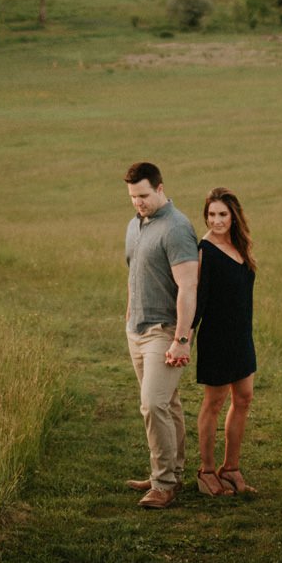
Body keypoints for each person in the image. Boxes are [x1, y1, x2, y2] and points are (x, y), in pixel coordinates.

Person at [121, 161, 199, 509]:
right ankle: (170, 472)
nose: (138, 202)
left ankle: (164, 484)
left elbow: (187, 287)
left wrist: (181, 338)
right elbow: (133, 274)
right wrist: (127, 317)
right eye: (133, 197)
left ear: (161, 188)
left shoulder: (178, 228)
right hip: (136, 329)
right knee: (167, 404)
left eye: (144, 195)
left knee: (152, 404)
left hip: (165, 331)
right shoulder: (134, 226)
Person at [193, 186, 258, 496]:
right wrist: (184, 339)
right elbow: (198, 299)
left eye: (222, 214)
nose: (216, 220)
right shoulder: (205, 250)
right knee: (214, 402)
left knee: (244, 398)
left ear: (233, 216)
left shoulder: (240, 246)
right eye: (211, 215)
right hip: (217, 338)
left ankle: (230, 468)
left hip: (242, 335)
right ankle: (206, 470)